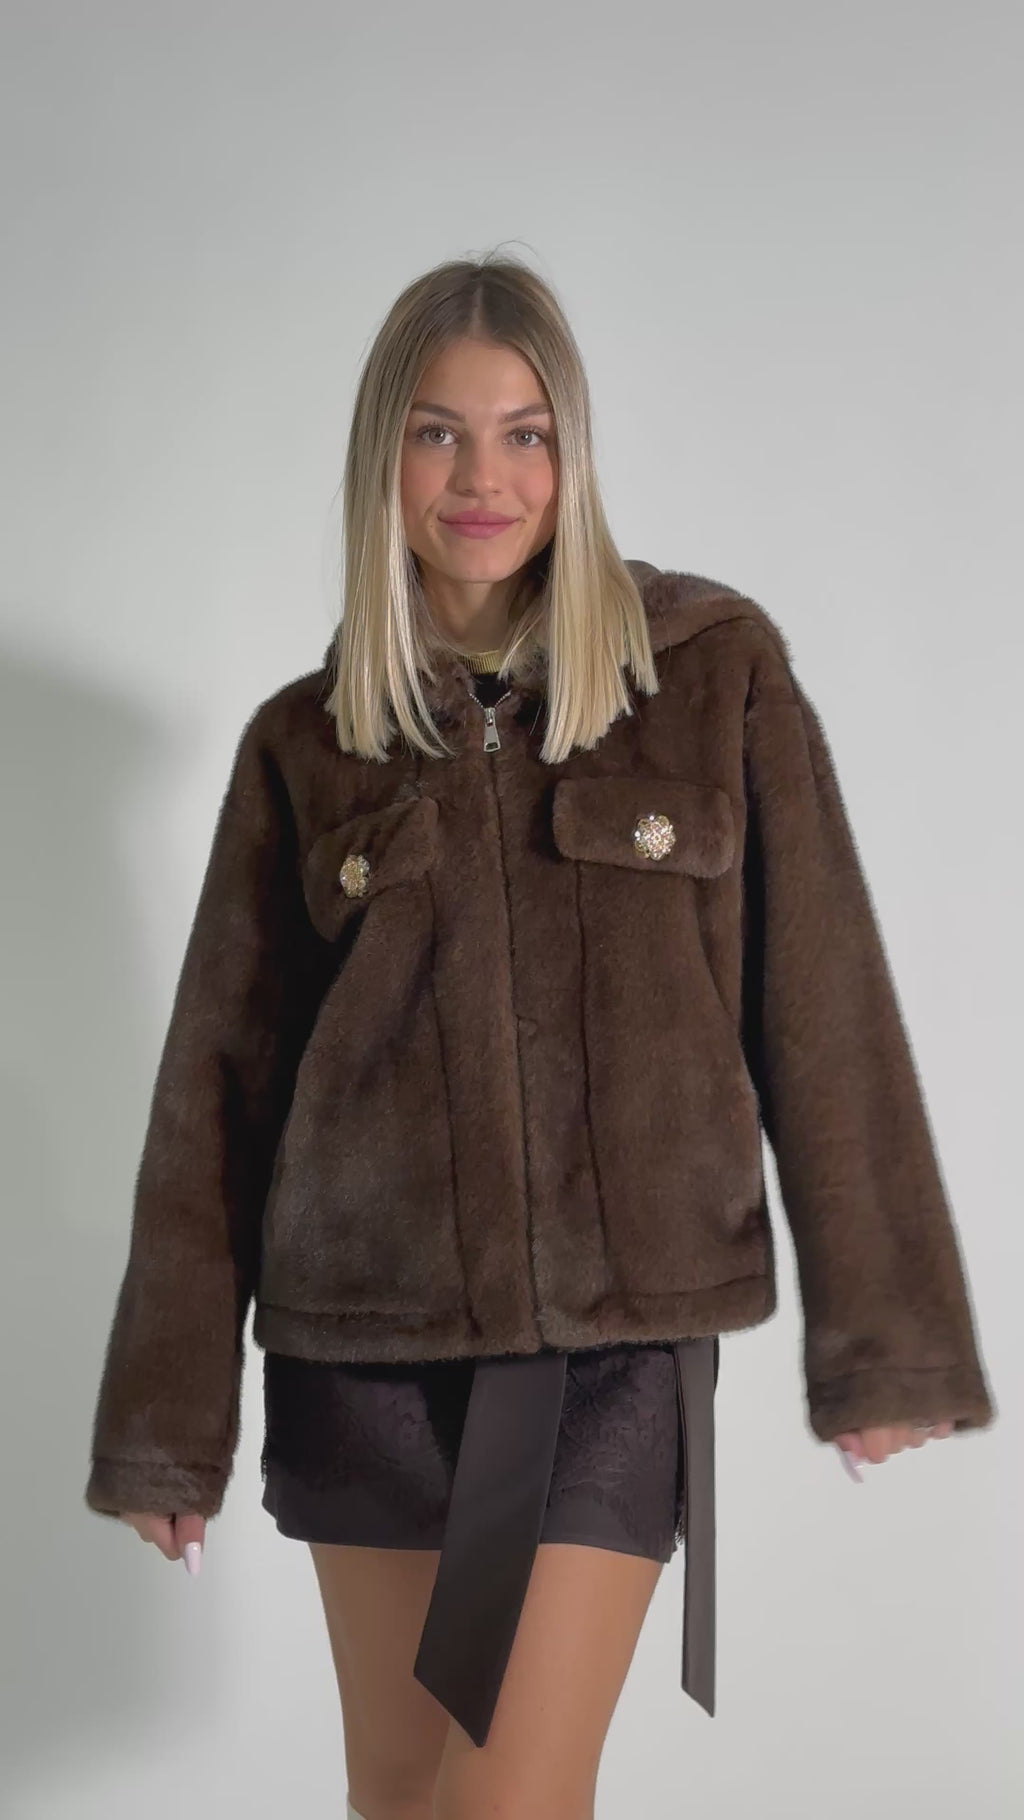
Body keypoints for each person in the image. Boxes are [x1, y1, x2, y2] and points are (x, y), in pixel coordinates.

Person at [83, 251, 995, 1820]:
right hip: (360, 1345)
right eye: (438, 434)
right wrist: (168, 1428)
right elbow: (213, 1097)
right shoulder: (307, 740)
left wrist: (888, 1344)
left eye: (526, 434)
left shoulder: (711, 675)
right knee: (401, 1799)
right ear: (384, 458)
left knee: (504, 1803)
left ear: (574, 453)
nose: (483, 479)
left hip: (611, 1349)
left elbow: (825, 1001)